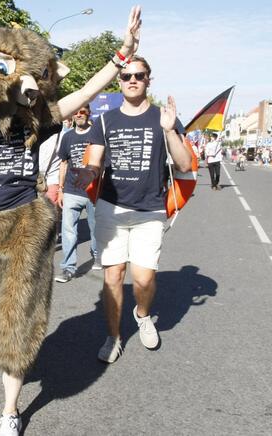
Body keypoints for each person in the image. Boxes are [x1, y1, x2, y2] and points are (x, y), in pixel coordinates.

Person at [0, 3, 143, 436]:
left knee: (17, 320)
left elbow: (84, 93)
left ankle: (10, 410)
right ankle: (2, 374)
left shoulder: (39, 121)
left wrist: (122, 54)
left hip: (24, 225)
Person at [73, 55, 192, 365]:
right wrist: (86, 173)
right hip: (111, 208)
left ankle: (142, 314)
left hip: (150, 210)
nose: (132, 80)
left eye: (139, 75)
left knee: (143, 279)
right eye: (126, 76)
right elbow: (95, 161)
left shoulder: (163, 118)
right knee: (113, 277)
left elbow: (182, 164)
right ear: (119, 81)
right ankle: (113, 336)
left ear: (148, 79)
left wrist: (168, 131)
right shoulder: (105, 120)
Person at [55, 105, 99, 283]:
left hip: (93, 191)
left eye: (83, 112)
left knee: (96, 229)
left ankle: (97, 255)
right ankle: (68, 268)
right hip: (72, 190)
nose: (79, 115)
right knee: (68, 232)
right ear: (72, 116)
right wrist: (60, 189)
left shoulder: (97, 134)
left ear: (89, 113)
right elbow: (64, 163)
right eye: (76, 112)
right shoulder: (68, 136)